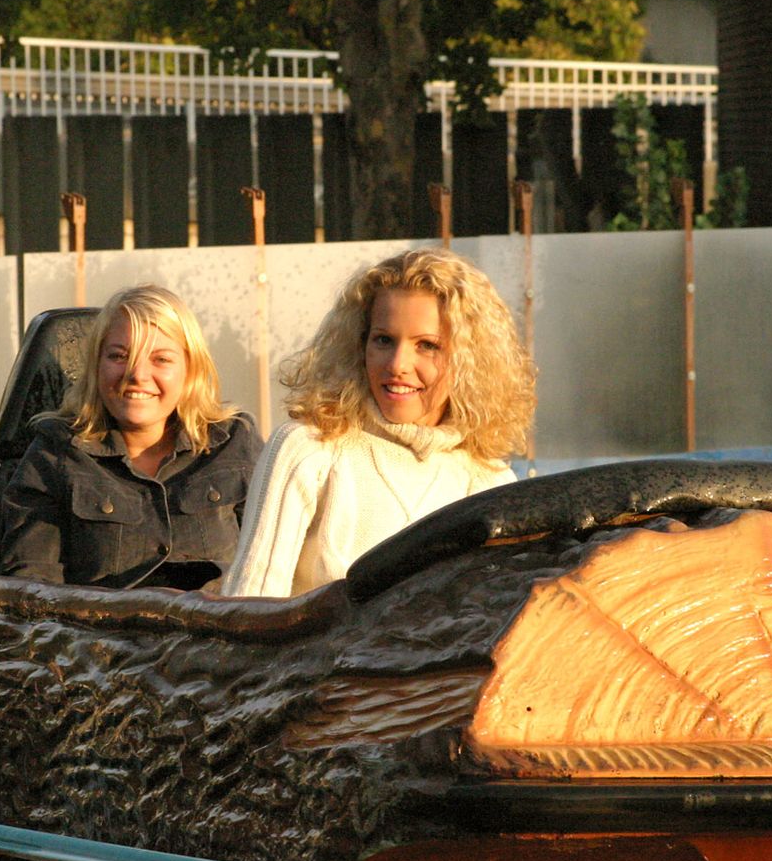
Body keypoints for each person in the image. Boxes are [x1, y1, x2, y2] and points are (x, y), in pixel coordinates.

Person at [222, 247, 536, 598]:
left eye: (427, 345)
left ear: (469, 361)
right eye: (384, 340)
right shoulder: (309, 450)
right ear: (360, 346)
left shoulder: (490, 482)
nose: (398, 364)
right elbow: (248, 612)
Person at [0, 284, 262, 590]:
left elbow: (276, 573)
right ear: (96, 367)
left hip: (216, 620)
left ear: (190, 369)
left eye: (161, 359)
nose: (137, 374)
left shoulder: (235, 442)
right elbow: (33, 585)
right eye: (119, 356)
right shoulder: (56, 453)